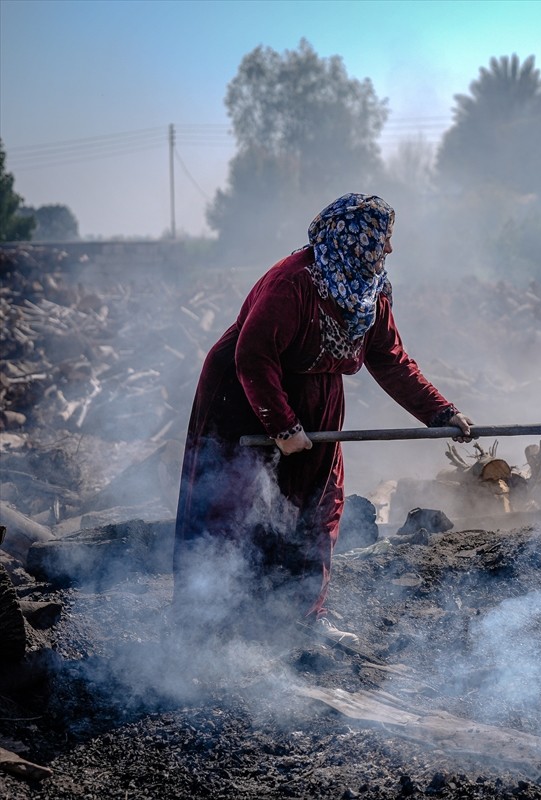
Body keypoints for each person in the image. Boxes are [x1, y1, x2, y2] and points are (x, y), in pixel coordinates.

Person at [172, 193, 471, 645]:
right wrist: (283, 427)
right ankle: (211, 621)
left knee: (319, 505)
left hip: (318, 395)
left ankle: (302, 616)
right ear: (354, 238)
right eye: (381, 239)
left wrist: (441, 411)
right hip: (244, 398)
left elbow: (389, 359)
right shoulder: (290, 283)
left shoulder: (370, 291)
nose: (388, 250)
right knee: (233, 503)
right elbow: (252, 357)